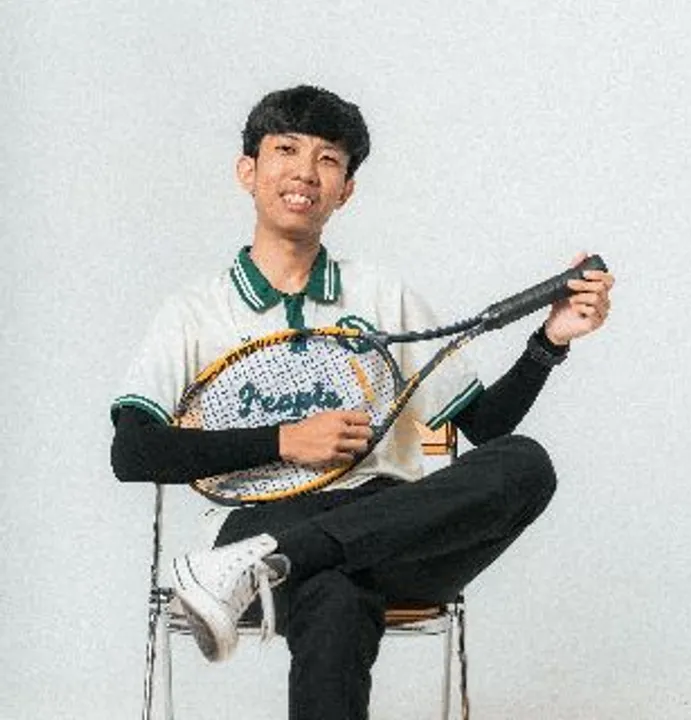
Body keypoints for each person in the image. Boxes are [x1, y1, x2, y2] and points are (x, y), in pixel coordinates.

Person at [111, 85, 614, 720]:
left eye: (328, 159)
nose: (305, 172)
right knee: (336, 595)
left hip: (394, 528)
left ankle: (275, 563)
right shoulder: (192, 312)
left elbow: (487, 428)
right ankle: (275, 558)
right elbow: (133, 451)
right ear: (248, 171)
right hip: (258, 523)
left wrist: (549, 341)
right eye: (286, 150)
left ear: (345, 190)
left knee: (525, 463)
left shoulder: (382, 294)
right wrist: (285, 441)